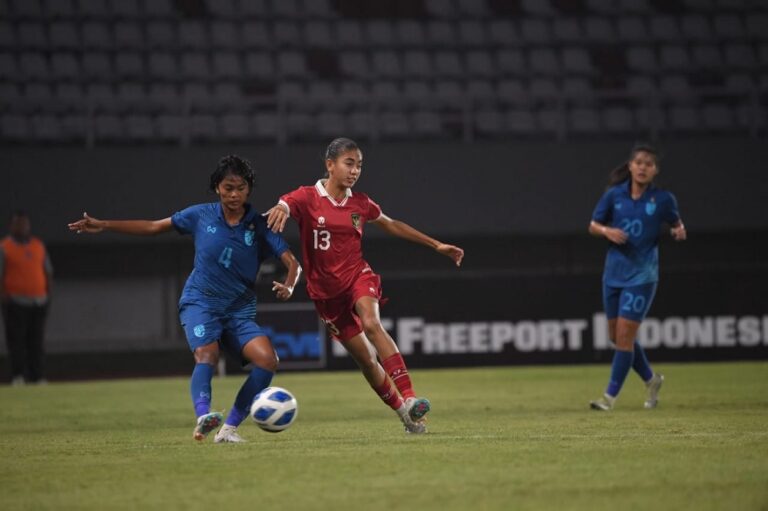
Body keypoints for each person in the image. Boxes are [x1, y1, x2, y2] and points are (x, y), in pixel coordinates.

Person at [67, 155, 301, 442]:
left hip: (239, 311)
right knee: (207, 355)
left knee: (268, 360)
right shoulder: (199, 215)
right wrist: (104, 224)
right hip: (200, 302)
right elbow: (154, 227)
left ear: (249, 190)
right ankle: (204, 415)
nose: (233, 194)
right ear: (217, 187)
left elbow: (293, 263)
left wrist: (289, 286)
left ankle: (228, 430)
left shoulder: (260, 225)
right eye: (228, 187)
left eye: (240, 188)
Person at [265, 137, 464, 434]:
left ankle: (410, 397)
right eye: (349, 163)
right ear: (330, 165)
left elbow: (391, 223)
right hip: (325, 295)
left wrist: (436, 245)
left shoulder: (361, 203)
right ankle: (406, 416)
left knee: (372, 324)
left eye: (359, 165)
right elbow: (285, 202)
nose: (355, 170)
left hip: (358, 276)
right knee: (368, 361)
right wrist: (280, 206)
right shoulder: (307, 197)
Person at [588, 144, 686, 411]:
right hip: (613, 274)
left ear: (655, 170)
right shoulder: (613, 196)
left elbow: (678, 224)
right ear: (630, 166)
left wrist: (679, 231)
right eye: (639, 162)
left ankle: (608, 398)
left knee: (624, 336)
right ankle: (651, 380)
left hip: (642, 276)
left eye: (649, 164)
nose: (643, 167)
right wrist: (607, 231)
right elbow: (593, 225)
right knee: (616, 337)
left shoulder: (663, 200)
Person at [1, 211, 54, 385]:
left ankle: (38, 376)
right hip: (15, 301)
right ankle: (18, 376)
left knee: (36, 341)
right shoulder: (5, 247)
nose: (22, 227)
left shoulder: (38, 246)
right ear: (12, 226)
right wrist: (4, 297)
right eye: (18, 224)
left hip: (38, 301)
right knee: (17, 341)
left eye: (25, 224)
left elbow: (48, 272)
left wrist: (48, 296)